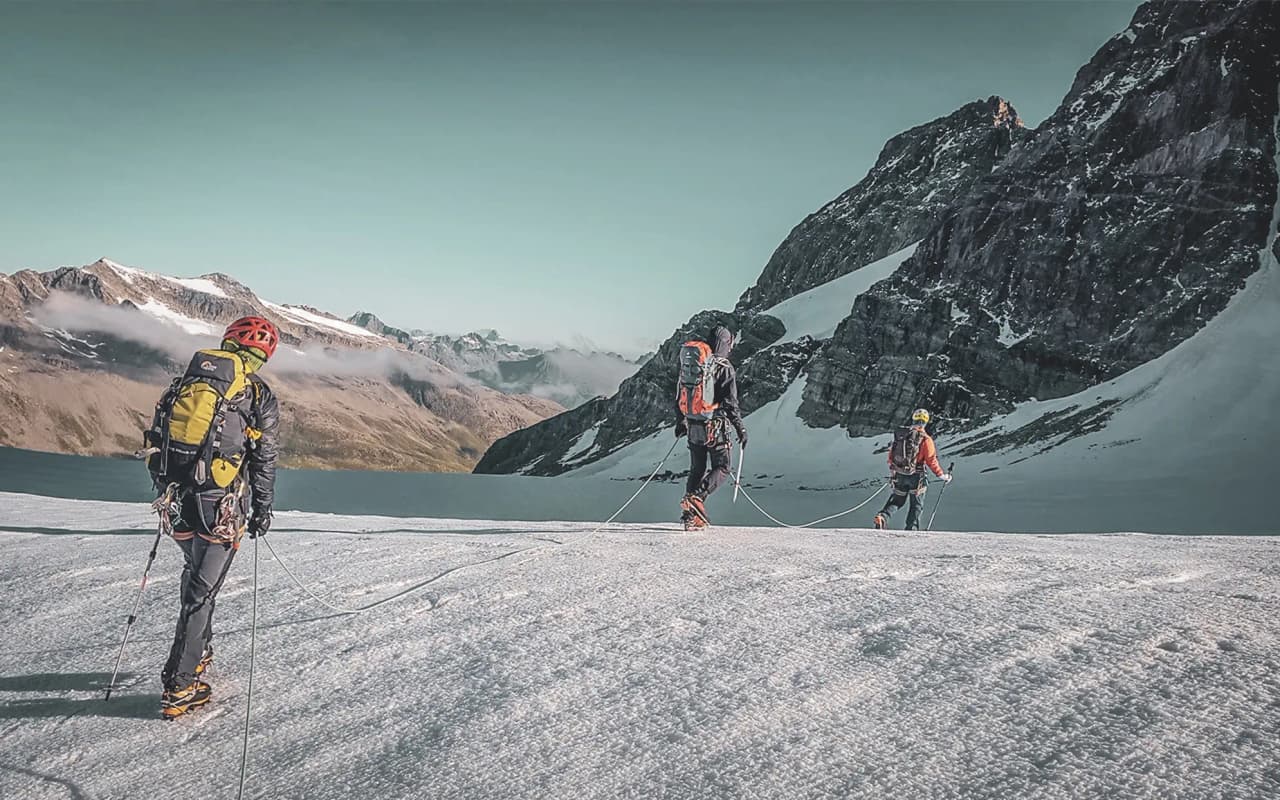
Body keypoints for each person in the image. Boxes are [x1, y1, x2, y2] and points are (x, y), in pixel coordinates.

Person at [144, 316, 281, 719]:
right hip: (219, 505)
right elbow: (264, 457)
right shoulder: (256, 393)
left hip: (176, 499)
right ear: (265, 354)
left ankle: (198, 652)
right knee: (201, 593)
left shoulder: (187, 380)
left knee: (195, 574)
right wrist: (262, 506)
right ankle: (180, 686)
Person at [673, 325, 747, 530]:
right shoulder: (724, 367)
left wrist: (681, 421)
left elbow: (679, 394)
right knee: (722, 467)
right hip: (715, 427)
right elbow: (731, 403)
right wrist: (740, 428)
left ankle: (690, 516)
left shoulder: (693, 365)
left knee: (697, 468)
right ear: (725, 343)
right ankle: (697, 498)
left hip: (693, 424)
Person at [873, 408, 950, 531]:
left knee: (897, 500)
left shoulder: (902, 435)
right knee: (916, 505)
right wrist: (942, 475)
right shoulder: (925, 439)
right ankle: (911, 529)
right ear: (926, 422)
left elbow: (891, 454)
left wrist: (893, 470)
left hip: (899, 474)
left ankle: (882, 516)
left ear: (913, 419)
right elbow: (931, 460)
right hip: (917, 476)